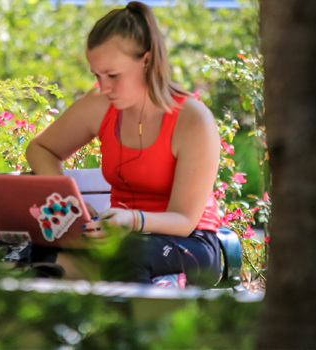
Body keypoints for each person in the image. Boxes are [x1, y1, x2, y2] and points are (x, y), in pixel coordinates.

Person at [25, 1, 223, 287]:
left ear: (147, 60)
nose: (104, 87)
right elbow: (40, 149)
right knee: (40, 254)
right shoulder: (100, 104)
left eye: (113, 76)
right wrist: (75, 205)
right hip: (122, 238)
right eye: (97, 75)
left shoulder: (193, 121)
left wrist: (132, 220)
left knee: (130, 257)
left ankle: (136, 329)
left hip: (190, 243)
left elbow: (184, 220)